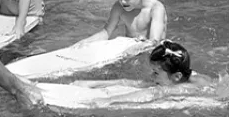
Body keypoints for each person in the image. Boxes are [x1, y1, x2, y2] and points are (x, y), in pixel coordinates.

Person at [67, 40, 213, 107]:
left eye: (156, 72)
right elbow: (137, 84)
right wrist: (93, 84)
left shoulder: (182, 88)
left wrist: (108, 101)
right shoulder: (176, 74)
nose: (151, 76)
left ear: (177, 77)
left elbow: (149, 94)